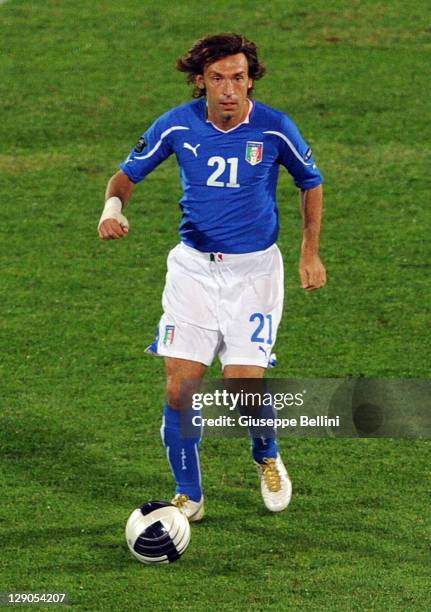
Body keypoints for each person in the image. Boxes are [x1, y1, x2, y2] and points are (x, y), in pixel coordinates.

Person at [98, 33, 326, 521]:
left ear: (250, 80)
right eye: (218, 79)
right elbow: (125, 176)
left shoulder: (275, 128)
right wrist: (111, 210)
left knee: (244, 388)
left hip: (255, 274)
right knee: (181, 389)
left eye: (238, 78)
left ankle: (266, 453)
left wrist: (310, 253)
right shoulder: (177, 126)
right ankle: (189, 495)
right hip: (194, 272)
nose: (229, 89)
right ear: (200, 82)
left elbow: (311, 182)